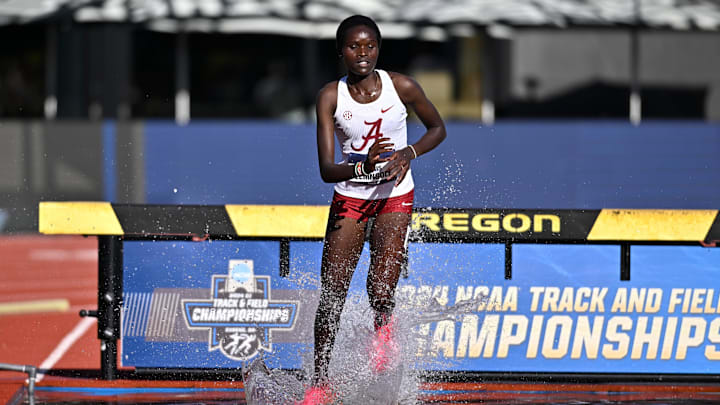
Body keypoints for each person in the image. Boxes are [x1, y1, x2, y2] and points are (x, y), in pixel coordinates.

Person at [300, 14, 446, 404]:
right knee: (332, 295)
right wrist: (364, 163)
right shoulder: (331, 96)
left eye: (369, 46)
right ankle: (320, 383)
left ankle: (384, 332)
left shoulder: (402, 86)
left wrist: (408, 152)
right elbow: (327, 170)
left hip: (395, 195)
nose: (362, 53)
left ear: (378, 49)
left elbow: (438, 129)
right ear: (341, 52)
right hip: (351, 197)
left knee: (381, 287)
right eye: (353, 46)